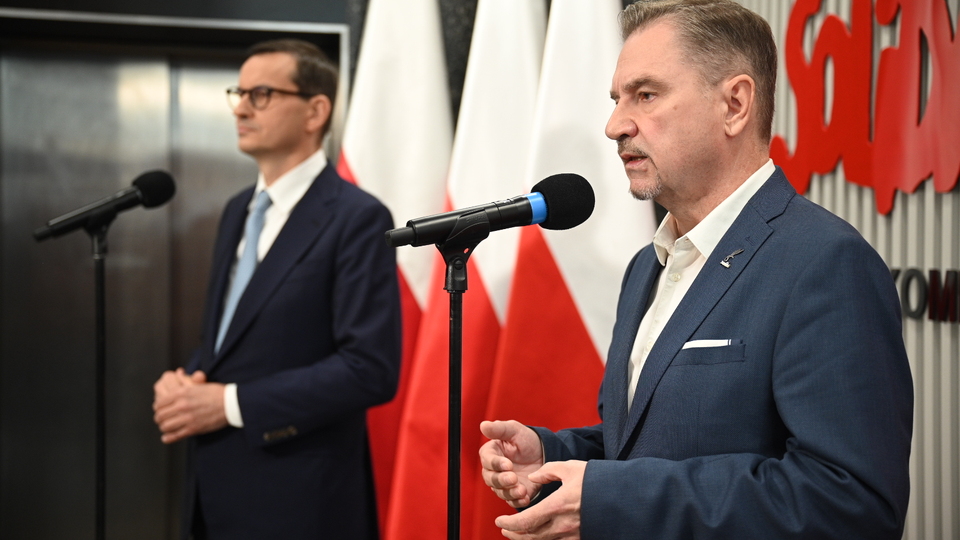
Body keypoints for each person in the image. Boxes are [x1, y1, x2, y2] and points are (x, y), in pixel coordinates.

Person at [479, 1, 913, 538]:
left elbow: (850, 504)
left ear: (735, 105)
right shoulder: (646, 266)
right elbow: (648, 444)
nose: (614, 126)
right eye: (616, 100)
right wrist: (553, 455)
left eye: (646, 94)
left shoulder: (825, 264)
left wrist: (612, 498)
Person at [152, 39, 401, 540]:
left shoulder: (357, 217)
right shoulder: (236, 210)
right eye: (238, 93)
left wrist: (228, 404)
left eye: (261, 94)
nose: (241, 108)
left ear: (316, 111)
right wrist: (187, 383)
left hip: (299, 501)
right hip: (213, 493)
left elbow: (368, 368)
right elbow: (235, 339)